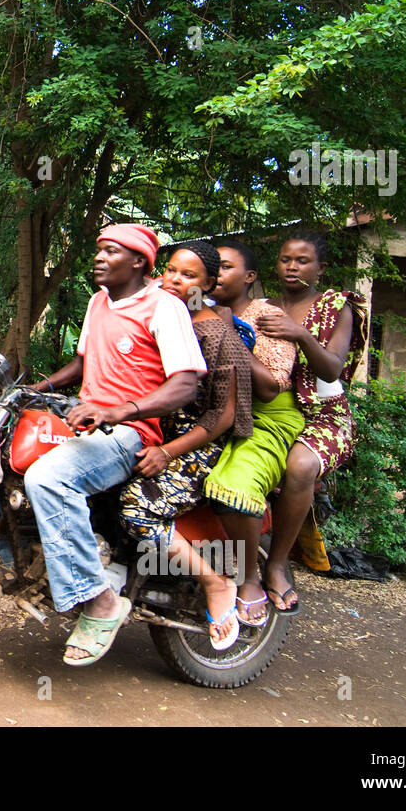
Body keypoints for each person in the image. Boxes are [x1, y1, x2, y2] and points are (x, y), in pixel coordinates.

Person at [29, 223, 206, 666]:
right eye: (98, 250)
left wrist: (119, 410)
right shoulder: (98, 302)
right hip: (88, 424)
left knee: (49, 478)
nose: (100, 257)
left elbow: (185, 384)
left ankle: (101, 601)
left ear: (140, 262)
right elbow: (84, 363)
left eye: (111, 251)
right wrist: (37, 386)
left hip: (131, 433)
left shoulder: (164, 307)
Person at [118, 241, 253, 649]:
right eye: (171, 270)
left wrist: (167, 452)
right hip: (155, 430)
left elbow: (221, 417)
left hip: (195, 446)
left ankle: (216, 582)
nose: (175, 280)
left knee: (135, 507)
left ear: (209, 284)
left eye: (188, 275)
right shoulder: (164, 317)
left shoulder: (217, 336)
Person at [256, 232, 368, 612]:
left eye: (302, 261)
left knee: (299, 467)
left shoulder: (337, 307)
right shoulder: (261, 307)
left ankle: (276, 565)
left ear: (319, 268)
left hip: (324, 414)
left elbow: (332, 369)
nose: (291, 266)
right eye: (285, 259)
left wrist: (301, 335)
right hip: (272, 410)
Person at [205, 240, 305, 626]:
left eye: (226, 267)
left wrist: (229, 335)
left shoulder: (267, 316)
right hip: (216, 414)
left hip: (266, 417)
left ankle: (249, 579)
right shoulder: (196, 311)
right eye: (212, 266)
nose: (216, 274)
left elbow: (269, 387)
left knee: (233, 488)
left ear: (249, 277)